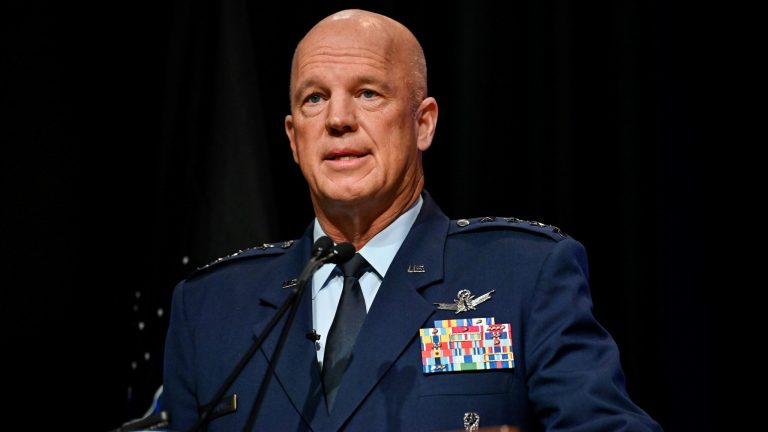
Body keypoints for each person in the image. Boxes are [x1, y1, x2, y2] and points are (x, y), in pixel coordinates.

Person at [162, 9, 661, 432]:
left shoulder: (525, 276)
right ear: (294, 138)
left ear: (423, 123)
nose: (338, 118)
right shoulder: (208, 308)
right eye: (314, 98)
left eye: (368, 94)